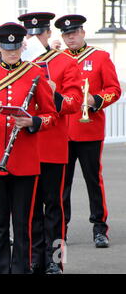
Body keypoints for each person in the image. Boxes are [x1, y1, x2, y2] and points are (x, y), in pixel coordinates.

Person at [0, 22, 58, 274]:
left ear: (22, 46)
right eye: (7, 47)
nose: (12, 52)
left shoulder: (34, 73)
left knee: (23, 225)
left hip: (25, 160)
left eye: (16, 47)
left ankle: (20, 270)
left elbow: (51, 115)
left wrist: (33, 121)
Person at [18, 12, 83, 274]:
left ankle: (55, 260)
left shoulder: (64, 62)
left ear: (48, 35)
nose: (34, 39)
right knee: (30, 209)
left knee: (54, 207)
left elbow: (75, 102)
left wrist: (53, 92)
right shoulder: (17, 63)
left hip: (53, 144)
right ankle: (34, 259)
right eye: (30, 34)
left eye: (39, 33)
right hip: (25, 146)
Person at [54, 14, 122, 248]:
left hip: (90, 128)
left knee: (93, 181)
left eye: (73, 33)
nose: (70, 37)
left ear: (83, 33)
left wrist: (97, 100)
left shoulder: (100, 57)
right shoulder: (57, 58)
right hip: (63, 130)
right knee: (62, 183)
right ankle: (60, 228)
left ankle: (100, 228)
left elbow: (114, 89)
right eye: (66, 34)